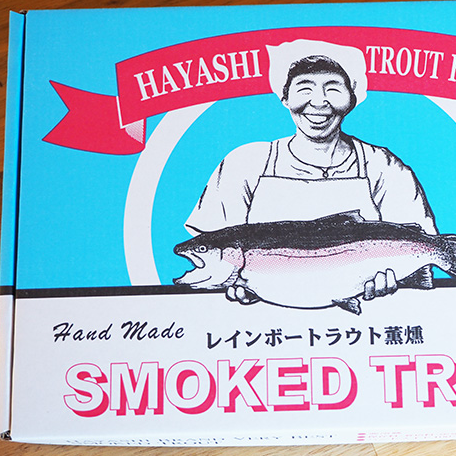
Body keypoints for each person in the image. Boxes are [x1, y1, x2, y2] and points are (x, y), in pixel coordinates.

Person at [185, 40, 436, 304]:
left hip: (365, 323)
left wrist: (399, 280)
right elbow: (215, 256)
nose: (318, 102)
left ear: (352, 97)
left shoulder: (383, 166)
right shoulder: (245, 163)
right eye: (304, 88)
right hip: (259, 325)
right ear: (284, 97)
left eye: (333, 88)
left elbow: (420, 243)